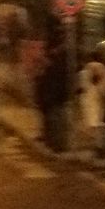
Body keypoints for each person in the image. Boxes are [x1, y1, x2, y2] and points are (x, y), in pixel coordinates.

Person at [34, 21, 71, 153]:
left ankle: (57, 144)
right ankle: (51, 141)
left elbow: (55, 79)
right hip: (50, 96)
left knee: (56, 120)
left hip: (54, 95)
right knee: (51, 120)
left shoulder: (59, 59)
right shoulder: (57, 58)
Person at [78, 51, 105, 158]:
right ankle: (102, 148)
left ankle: (97, 148)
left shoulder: (84, 72)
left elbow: (82, 87)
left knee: (93, 125)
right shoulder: (103, 70)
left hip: (88, 99)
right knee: (101, 126)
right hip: (99, 100)